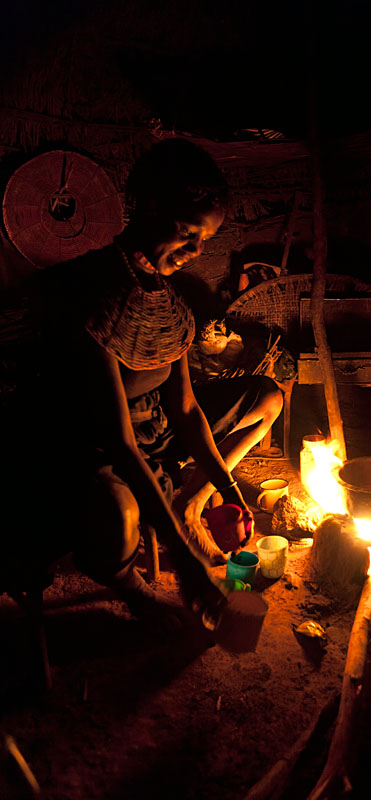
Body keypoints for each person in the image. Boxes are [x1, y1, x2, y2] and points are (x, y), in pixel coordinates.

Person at [2, 138, 283, 625]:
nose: (195, 251)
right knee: (117, 516)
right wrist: (190, 565)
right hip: (91, 450)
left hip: (154, 434)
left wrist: (226, 486)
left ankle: (187, 499)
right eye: (187, 233)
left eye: (205, 241)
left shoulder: (165, 302)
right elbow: (119, 442)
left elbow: (188, 411)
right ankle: (132, 588)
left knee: (266, 395)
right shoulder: (88, 298)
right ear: (150, 208)